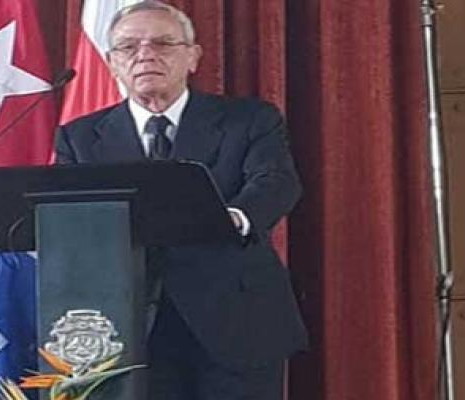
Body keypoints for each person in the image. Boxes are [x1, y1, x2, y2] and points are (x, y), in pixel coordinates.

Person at [53, 1, 307, 399]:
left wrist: (232, 217)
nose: (145, 55)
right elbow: (70, 219)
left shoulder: (250, 120)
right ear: (112, 62)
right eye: (128, 47)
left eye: (163, 43)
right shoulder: (80, 138)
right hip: (128, 327)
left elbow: (276, 182)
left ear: (193, 57)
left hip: (235, 321)